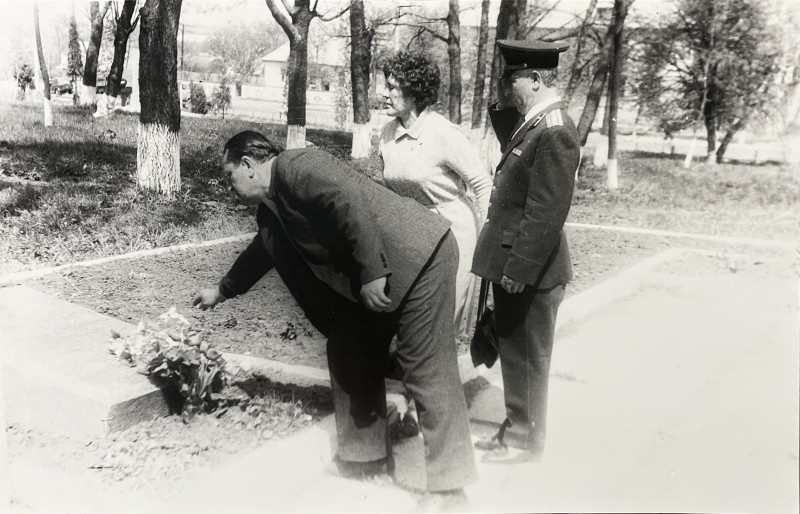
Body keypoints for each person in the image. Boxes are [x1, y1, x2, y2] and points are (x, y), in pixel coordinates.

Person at [193, 131, 476, 508]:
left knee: (426, 366)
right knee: (348, 346)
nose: (230, 186)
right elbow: (261, 254)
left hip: (420, 256)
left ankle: (450, 490)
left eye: (229, 175)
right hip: (383, 270)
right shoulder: (271, 208)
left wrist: (373, 272)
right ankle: (365, 458)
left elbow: (349, 203)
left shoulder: (298, 166)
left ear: (247, 166)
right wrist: (222, 290)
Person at [471, 40, 581, 464]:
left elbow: (546, 210)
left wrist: (520, 266)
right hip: (519, 262)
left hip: (532, 268)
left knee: (529, 358)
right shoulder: (534, 123)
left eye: (510, 78)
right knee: (516, 351)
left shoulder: (554, 130)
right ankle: (517, 424)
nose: (504, 86)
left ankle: (524, 439)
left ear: (534, 80)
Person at [379, 51, 492, 335]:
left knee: (440, 320)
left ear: (414, 92)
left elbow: (481, 182)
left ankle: (435, 374)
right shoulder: (386, 134)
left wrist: (491, 235)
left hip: (451, 232)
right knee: (407, 315)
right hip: (409, 231)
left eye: (392, 87)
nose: (385, 94)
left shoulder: (443, 133)